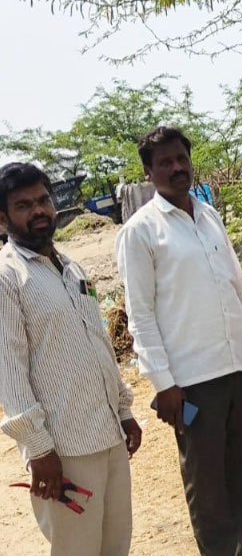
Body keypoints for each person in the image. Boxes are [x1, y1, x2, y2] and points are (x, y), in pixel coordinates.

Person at [116, 127, 242, 556]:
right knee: (208, 490)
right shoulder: (141, 232)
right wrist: (163, 384)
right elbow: (141, 316)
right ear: (149, 173)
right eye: (164, 162)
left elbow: (236, 288)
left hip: (235, 369)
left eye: (181, 159)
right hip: (191, 383)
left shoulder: (208, 216)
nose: (176, 167)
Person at [0, 162, 142, 555]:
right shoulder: (7, 278)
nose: (39, 211)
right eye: (23, 205)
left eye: (43, 200)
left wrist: (123, 409)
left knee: (115, 546)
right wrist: (39, 450)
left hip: (107, 431)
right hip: (64, 450)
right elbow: (9, 372)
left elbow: (98, 343)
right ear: (2, 219)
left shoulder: (71, 267)